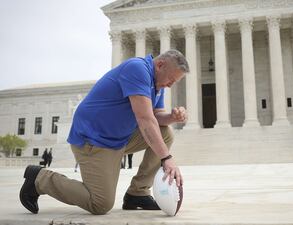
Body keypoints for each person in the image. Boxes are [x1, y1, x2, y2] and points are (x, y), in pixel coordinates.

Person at [19, 49, 189, 215]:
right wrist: (166, 158)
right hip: (93, 140)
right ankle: (39, 179)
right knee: (100, 203)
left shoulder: (157, 85)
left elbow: (156, 117)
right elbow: (145, 119)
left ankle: (138, 193)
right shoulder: (137, 69)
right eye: (171, 80)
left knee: (166, 132)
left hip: (118, 138)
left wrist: (172, 117)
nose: (170, 85)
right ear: (160, 65)